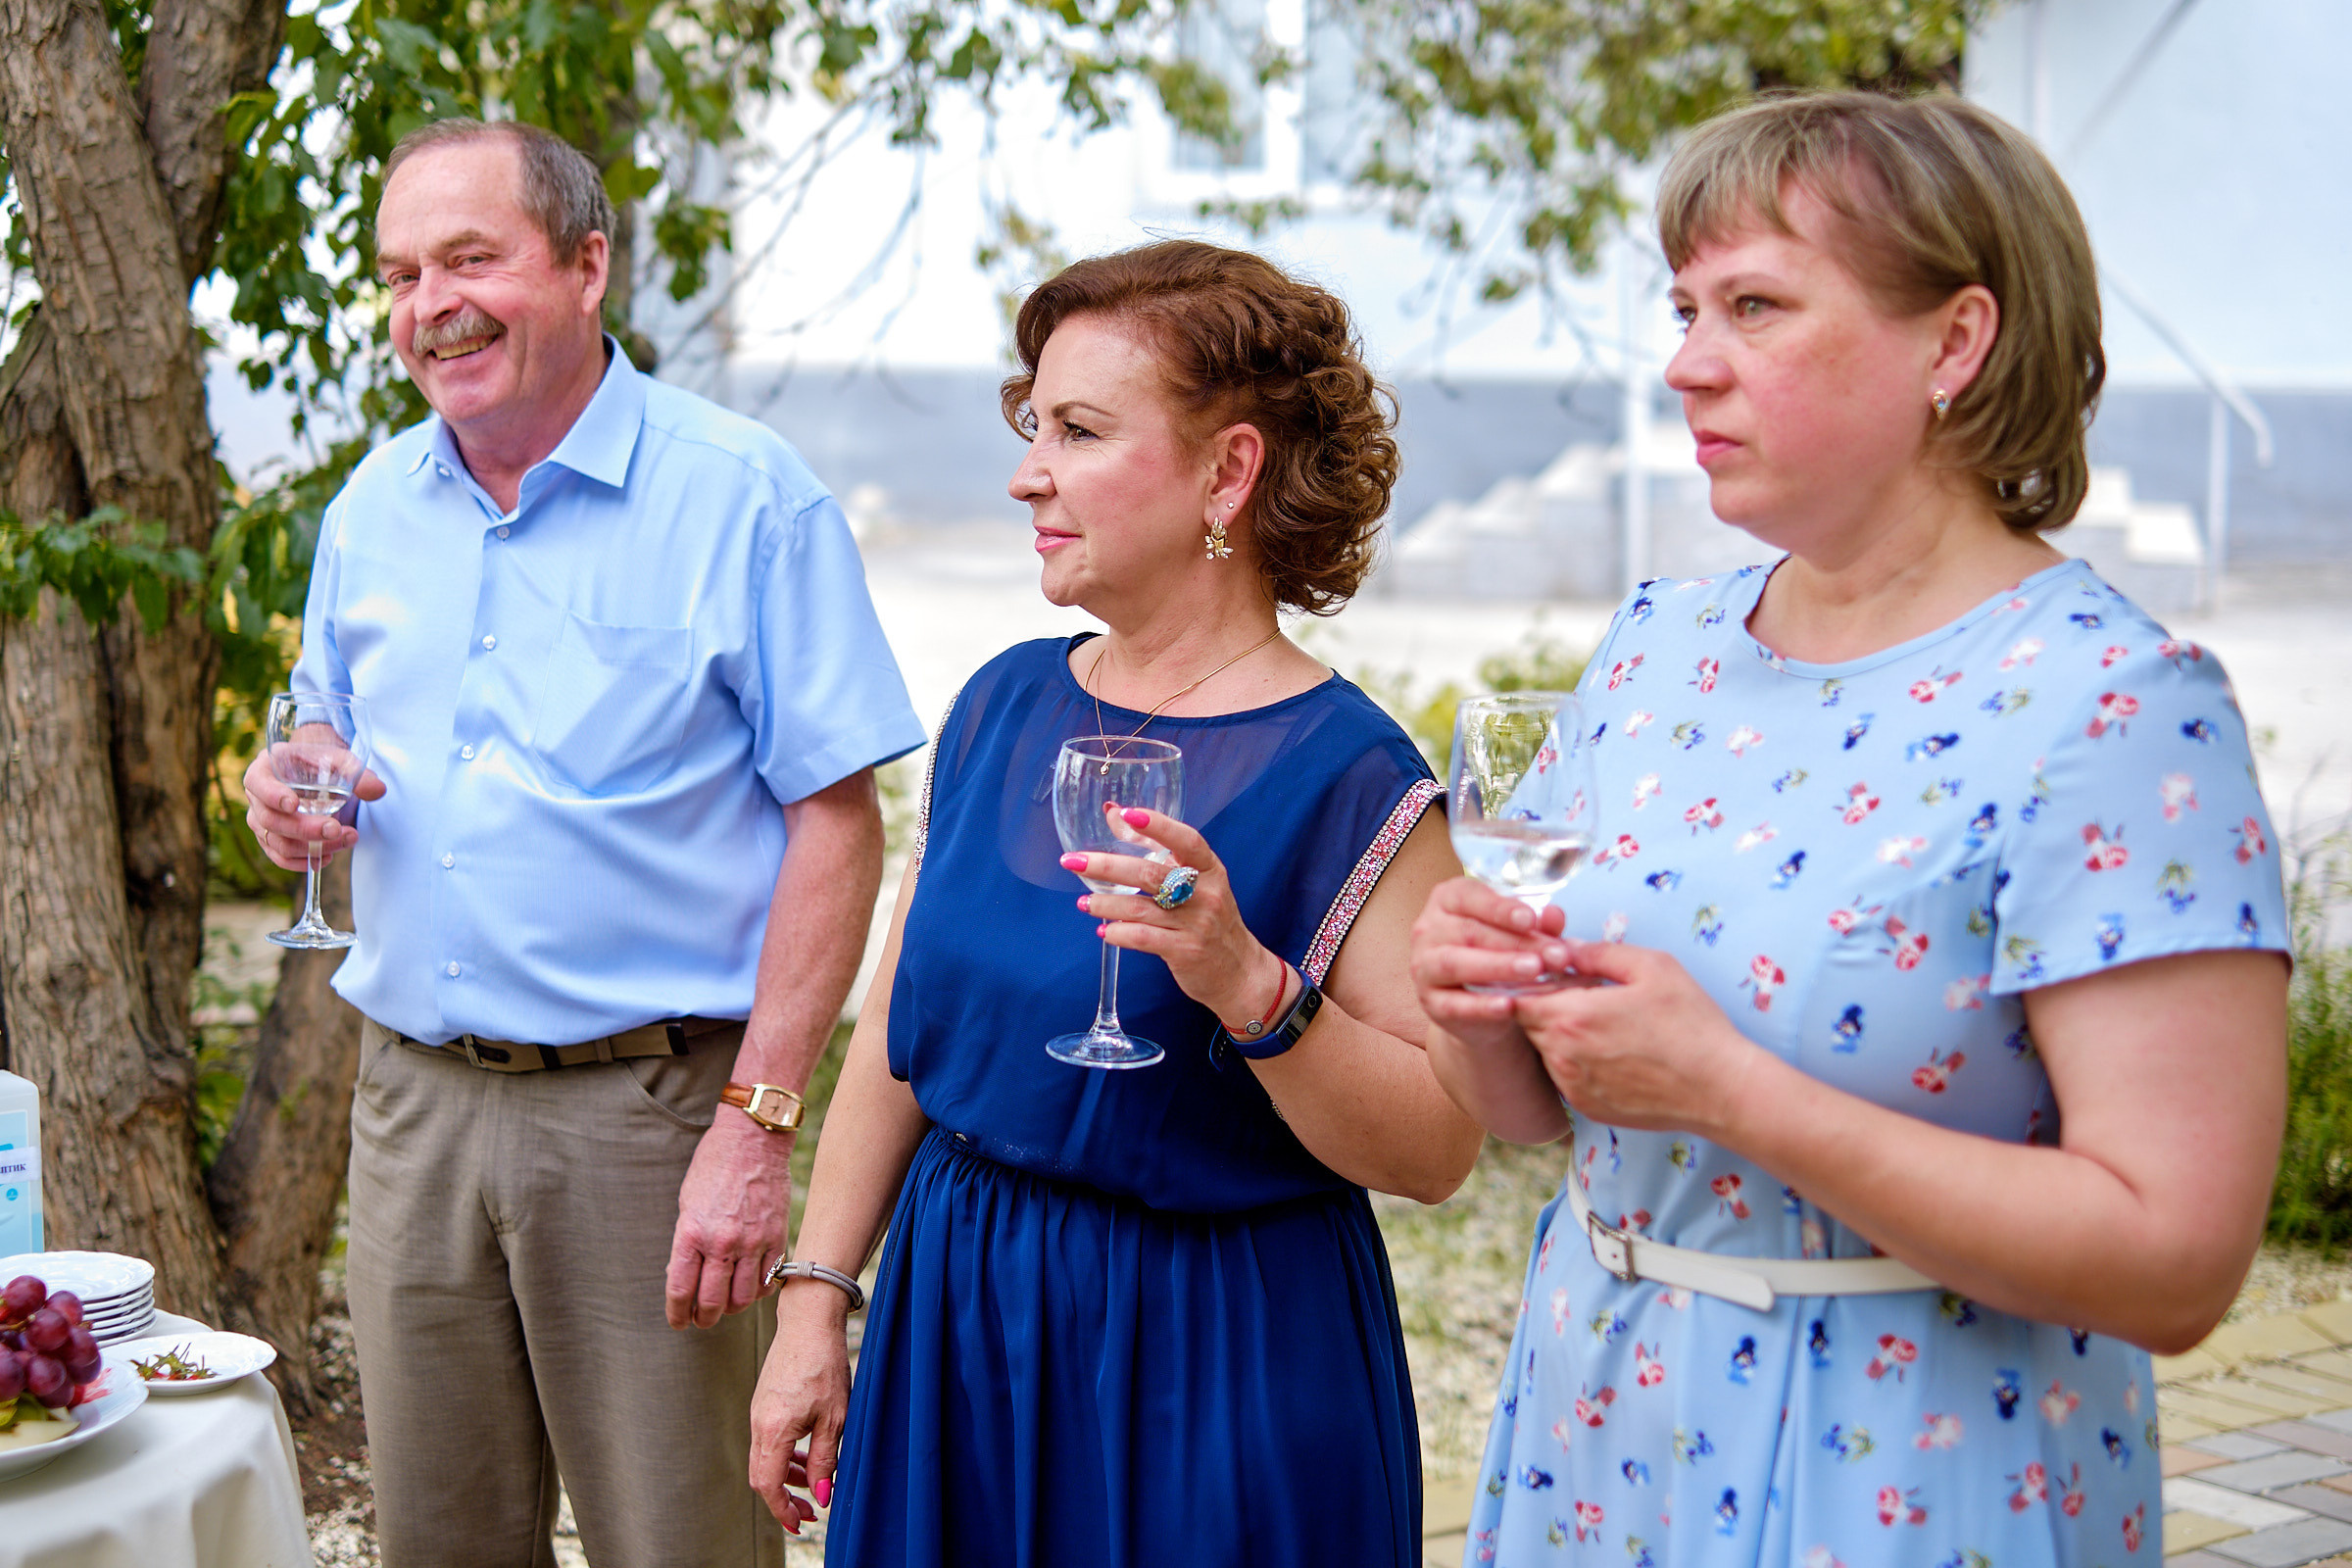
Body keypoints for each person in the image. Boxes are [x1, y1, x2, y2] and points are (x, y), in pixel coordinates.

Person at [1410, 91, 2289, 1567]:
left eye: (1754, 306)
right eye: (1685, 309)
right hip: (1602, 1431)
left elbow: (2174, 1261)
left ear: (1956, 342)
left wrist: (1736, 1094)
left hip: (1906, 1469)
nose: (1688, 364)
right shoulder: (1654, 648)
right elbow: (1533, 1119)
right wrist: (1475, 1003)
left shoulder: (2112, 706)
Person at [241, 118, 924, 1568]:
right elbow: (320, 743)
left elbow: (835, 823)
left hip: (650, 1116)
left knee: (680, 1542)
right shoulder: (370, 507)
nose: (432, 305)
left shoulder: (745, 497)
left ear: (588, 264)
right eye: (402, 274)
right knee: (439, 1543)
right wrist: (280, 789)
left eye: (470, 259)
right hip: (411, 1107)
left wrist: (756, 1126)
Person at [744, 239, 1484, 1563]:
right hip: (959, 1323)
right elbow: (902, 1033)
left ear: (1228, 472)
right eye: (1034, 427)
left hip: (1215, 1360)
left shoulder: (1352, 775)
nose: (1028, 472)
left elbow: (1438, 1148)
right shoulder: (1002, 704)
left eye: (1079, 432)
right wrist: (814, 1301)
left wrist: (1252, 989)